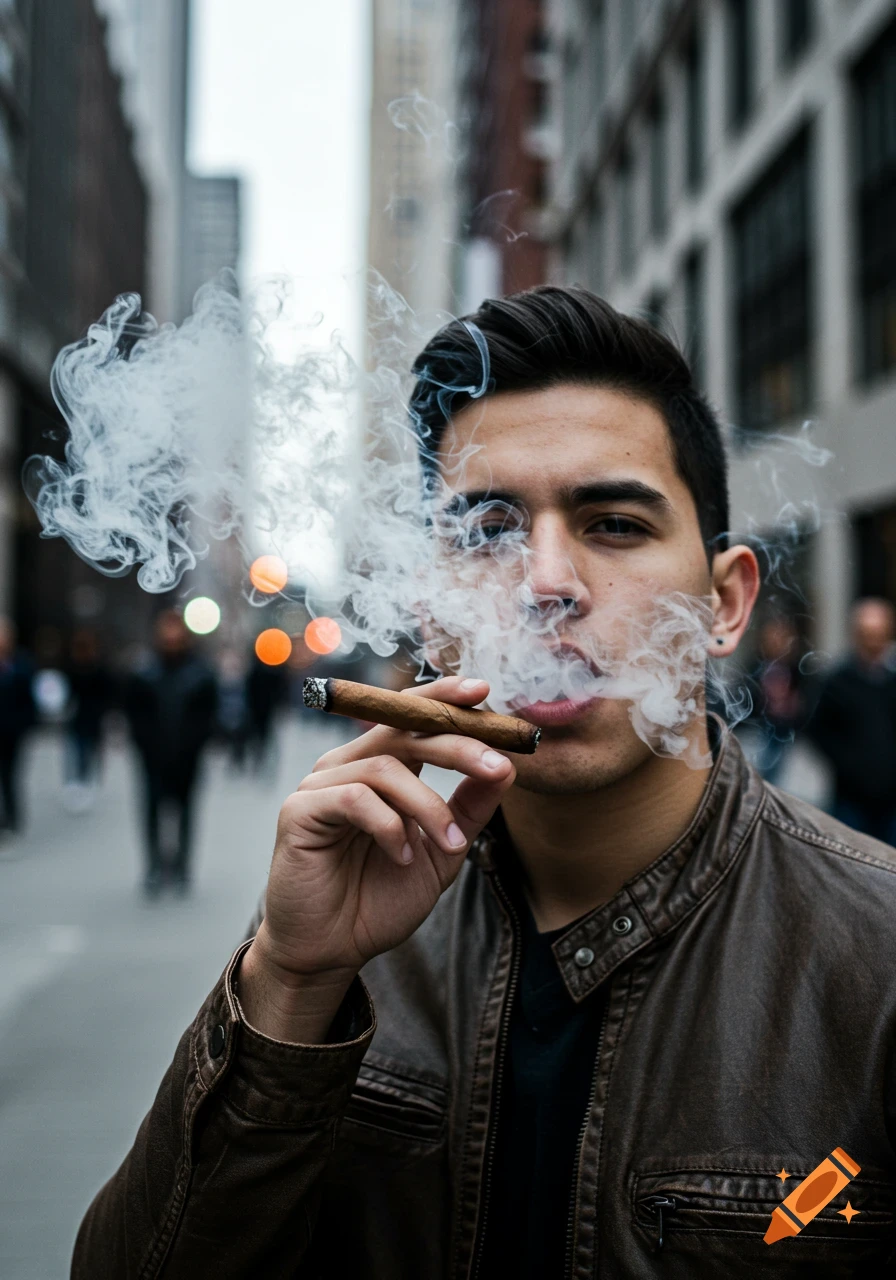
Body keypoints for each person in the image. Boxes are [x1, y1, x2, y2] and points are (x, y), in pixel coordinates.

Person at [73, 290, 896, 1278]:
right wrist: (287, 984)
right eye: (489, 527)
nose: (547, 581)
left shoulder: (875, 962)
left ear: (722, 602)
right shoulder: (346, 931)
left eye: (614, 524)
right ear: (429, 610)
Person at [125, 610, 217, 895]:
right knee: (152, 812)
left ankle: (181, 867)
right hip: (152, 758)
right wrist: (143, 745)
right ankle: (154, 866)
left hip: (187, 758)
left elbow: (209, 715)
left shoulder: (200, 674)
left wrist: (196, 744)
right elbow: (134, 714)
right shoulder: (144, 673)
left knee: (186, 812)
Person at [808, 596, 896, 842]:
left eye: (879, 633)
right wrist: (849, 765)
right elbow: (818, 729)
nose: (873, 641)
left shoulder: (892, 678)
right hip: (851, 797)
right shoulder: (837, 680)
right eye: (867, 634)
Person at [749, 615, 804, 785]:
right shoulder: (753, 671)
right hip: (759, 738)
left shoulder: (801, 672)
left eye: (781, 636)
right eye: (771, 636)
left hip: (793, 742)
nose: (776, 641)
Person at [63, 628, 112, 811]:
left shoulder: (97, 668)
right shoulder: (72, 667)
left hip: (91, 719)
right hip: (78, 719)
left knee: (86, 753)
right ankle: (77, 784)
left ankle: (83, 783)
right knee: (76, 752)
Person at [0, 618, 36, 834]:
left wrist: (23, 727)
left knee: (10, 775)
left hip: (12, 731)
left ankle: (12, 819)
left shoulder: (21, 664)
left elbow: (29, 701)